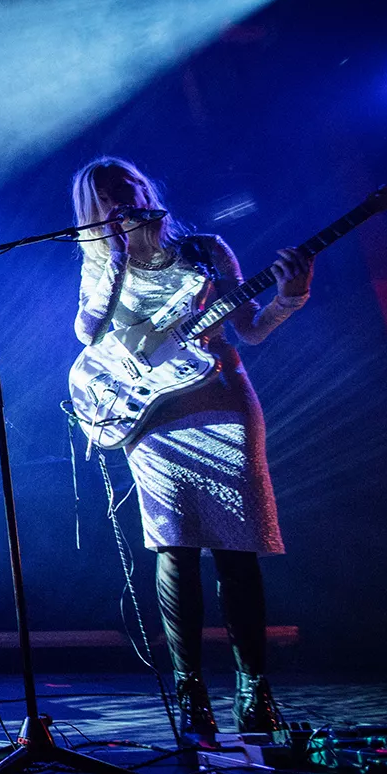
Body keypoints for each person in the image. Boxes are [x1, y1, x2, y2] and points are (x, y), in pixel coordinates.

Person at [71, 157, 312, 739]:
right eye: (106, 194)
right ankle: (191, 691)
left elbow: (249, 328)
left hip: (221, 400)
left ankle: (254, 690)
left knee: (237, 547)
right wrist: (117, 256)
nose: (122, 197)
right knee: (174, 545)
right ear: (93, 210)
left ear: (145, 187)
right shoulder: (101, 265)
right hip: (151, 413)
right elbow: (87, 331)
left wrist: (291, 296)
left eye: (127, 185)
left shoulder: (205, 249)